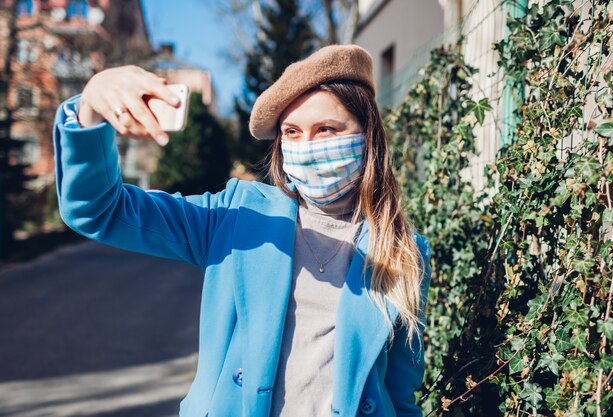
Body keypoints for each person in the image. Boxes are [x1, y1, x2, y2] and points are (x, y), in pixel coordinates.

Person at [53, 44, 432, 417]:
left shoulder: (403, 251)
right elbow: (99, 209)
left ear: (367, 138)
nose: (307, 146)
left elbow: (401, 395)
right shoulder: (236, 217)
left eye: (326, 129)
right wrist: (90, 109)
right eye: (292, 132)